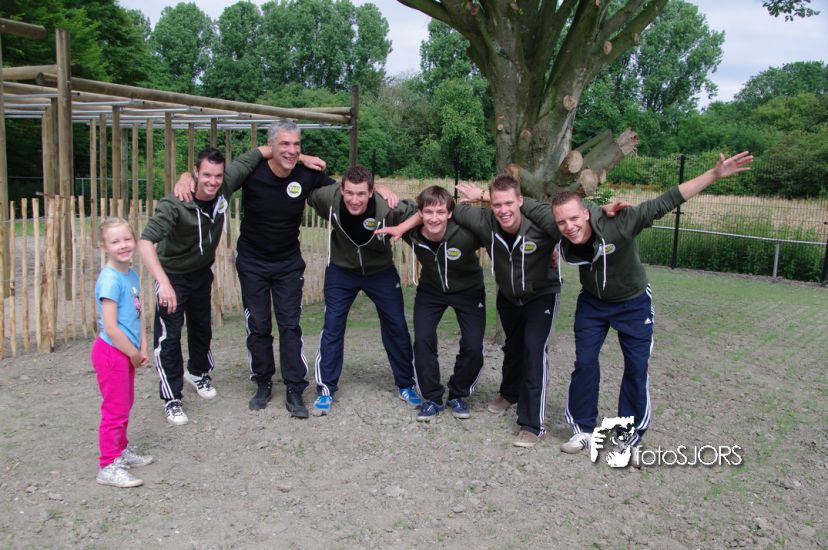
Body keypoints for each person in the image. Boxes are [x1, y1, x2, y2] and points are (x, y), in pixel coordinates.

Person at [553, 151, 754, 462]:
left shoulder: (621, 223)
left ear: (586, 214)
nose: (568, 226)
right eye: (561, 222)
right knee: (585, 363)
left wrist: (714, 174)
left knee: (636, 368)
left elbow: (667, 200)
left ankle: (628, 438)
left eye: (573, 219)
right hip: (593, 303)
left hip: (632, 303)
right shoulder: (565, 223)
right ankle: (583, 429)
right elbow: (527, 208)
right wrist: (484, 196)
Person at [173, 121, 330, 418]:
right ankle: (263, 382)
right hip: (253, 262)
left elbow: (345, 192)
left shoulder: (307, 174)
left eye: (296, 145)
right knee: (258, 325)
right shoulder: (252, 172)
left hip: (288, 264)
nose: (291, 150)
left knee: (290, 325)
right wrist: (184, 176)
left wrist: (379, 188)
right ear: (270, 147)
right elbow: (215, 179)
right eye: (284, 144)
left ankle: (295, 388)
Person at [140, 147, 263, 425]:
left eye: (217, 175)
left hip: (200, 273)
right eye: (206, 175)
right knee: (169, 338)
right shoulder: (175, 203)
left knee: (201, 328)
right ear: (196, 172)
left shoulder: (224, 187)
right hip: (172, 276)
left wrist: (302, 157)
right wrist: (163, 283)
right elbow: (145, 241)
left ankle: (197, 373)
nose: (212, 181)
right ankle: (172, 398)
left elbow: (257, 154)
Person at [306, 165, 421, 416]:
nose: (354, 200)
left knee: (396, 326)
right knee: (332, 326)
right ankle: (325, 390)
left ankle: (406, 384)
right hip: (341, 271)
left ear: (371, 192)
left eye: (361, 193)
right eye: (349, 193)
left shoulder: (388, 206)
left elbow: (424, 211)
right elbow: (306, 188)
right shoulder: (328, 198)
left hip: (380, 272)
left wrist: (401, 228)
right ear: (341, 189)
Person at [378, 186, 486, 421]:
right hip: (431, 291)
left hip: (469, 291)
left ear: (450, 213)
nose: (434, 218)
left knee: (473, 346)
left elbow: (500, 230)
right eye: (428, 212)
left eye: (440, 212)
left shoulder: (466, 232)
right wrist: (380, 187)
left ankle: (458, 394)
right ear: (420, 213)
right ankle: (432, 398)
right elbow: (370, 194)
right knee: (423, 340)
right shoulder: (411, 232)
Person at [92, 217, 152, 488]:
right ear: (104, 247)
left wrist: (142, 345)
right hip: (112, 352)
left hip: (127, 351)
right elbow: (111, 327)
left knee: (125, 403)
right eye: (115, 241)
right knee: (114, 409)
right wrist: (132, 353)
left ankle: (121, 449)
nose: (123, 245)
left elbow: (138, 313)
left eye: (127, 239)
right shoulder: (110, 280)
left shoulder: (131, 275)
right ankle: (108, 464)